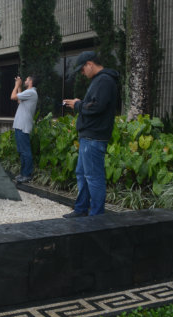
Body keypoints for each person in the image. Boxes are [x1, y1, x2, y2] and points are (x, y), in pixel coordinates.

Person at [63, 51, 119, 217]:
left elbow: (97, 106)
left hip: (94, 137)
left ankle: (96, 216)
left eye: (82, 69)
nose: (82, 73)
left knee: (93, 177)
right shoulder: (101, 80)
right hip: (89, 136)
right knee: (83, 174)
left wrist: (79, 105)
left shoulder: (104, 80)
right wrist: (82, 104)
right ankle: (81, 209)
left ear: (90, 64)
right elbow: (95, 104)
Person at [10, 74, 39, 183]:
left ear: (31, 81)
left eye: (26, 79)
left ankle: (27, 174)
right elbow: (19, 100)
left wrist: (16, 85)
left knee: (25, 151)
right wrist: (19, 87)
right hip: (20, 125)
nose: (25, 80)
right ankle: (23, 173)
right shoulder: (29, 93)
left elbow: (13, 97)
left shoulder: (31, 92)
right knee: (22, 151)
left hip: (23, 126)